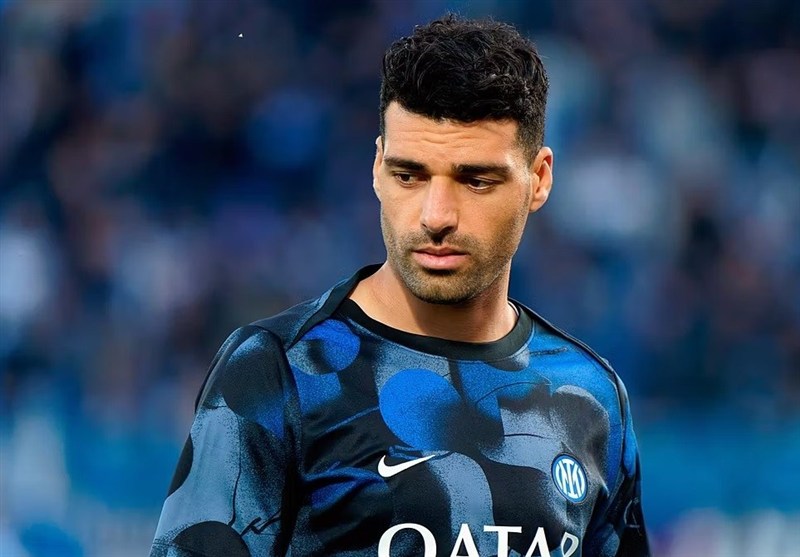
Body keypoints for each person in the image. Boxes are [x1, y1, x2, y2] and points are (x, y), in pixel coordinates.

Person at [150, 14, 650, 557]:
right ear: (376, 168)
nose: (436, 216)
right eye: (409, 175)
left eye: (475, 180)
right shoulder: (280, 370)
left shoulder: (591, 398)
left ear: (539, 179)